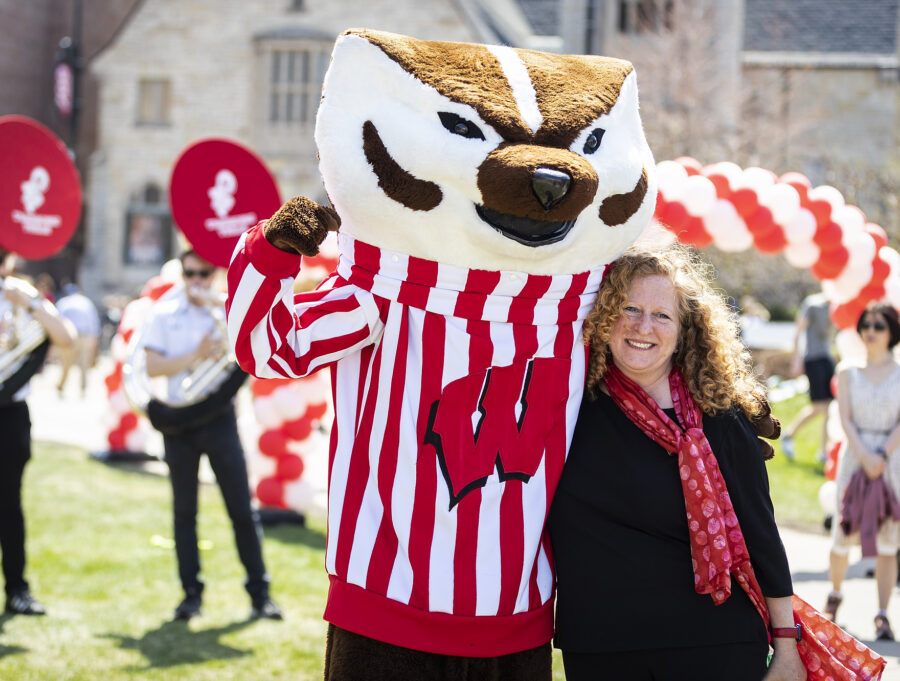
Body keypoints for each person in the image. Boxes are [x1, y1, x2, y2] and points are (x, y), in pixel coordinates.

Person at [550, 243, 805, 681]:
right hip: (600, 648)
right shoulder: (568, 407)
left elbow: (760, 533)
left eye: (662, 315)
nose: (642, 326)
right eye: (629, 308)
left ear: (685, 330)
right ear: (604, 314)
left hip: (713, 644)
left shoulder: (720, 416)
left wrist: (786, 645)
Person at [142, 249, 281, 621]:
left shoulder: (228, 310)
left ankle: (260, 593)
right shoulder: (164, 311)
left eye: (205, 273)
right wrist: (196, 353)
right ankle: (191, 596)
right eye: (190, 274)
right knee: (184, 512)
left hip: (220, 419)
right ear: (181, 273)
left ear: (215, 273)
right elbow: (152, 366)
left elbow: (250, 352)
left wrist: (221, 328)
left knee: (240, 508)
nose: (198, 281)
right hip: (179, 421)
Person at [0, 248, 76, 615]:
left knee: (9, 506)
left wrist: (29, 306)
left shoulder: (22, 292)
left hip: (10, 413)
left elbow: (66, 339)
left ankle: (17, 589)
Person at [825, 303, 900, 640]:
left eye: (879, 325)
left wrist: (881, 454)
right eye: (866, 324)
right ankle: (835, 595)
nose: (871, 331)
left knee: (888, 539)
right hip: (855, 459)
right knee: (843, 532)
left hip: (892, 459)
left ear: (892, 332)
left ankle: (882, 614)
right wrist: (866, 456)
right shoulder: (847, 371)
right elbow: (845, 420)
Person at [781, 292, 835, 461]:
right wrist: (796, 361)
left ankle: (824, 452)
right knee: (819, 406)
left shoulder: (838, 306)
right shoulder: (812, 304)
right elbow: (798, 333)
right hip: (813, 359)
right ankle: (788, 435)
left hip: (827, 359)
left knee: (829, 408)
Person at [55, 283, 101, 397]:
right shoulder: (86, 302)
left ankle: (61, 386)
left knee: (66, 363)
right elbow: (93, 322)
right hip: (85, 335)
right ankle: (83, 388)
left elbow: (58, 321)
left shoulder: (63, 302)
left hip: (70, 336)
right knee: (84, 364)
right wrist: (94, 339)